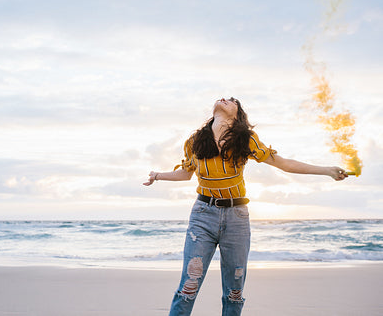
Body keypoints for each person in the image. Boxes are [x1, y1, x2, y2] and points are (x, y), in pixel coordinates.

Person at [143, 97, 348, 316]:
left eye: (232, 101)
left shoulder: (245, 140)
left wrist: (327, 170)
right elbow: (186, 173)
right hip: (203, 216)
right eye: (224, 98)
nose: (226, 99)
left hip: (236, 218)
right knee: (188, 286)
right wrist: (158, 175)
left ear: (237, 114)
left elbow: (284, 164)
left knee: (234, 292)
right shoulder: (195, 140)